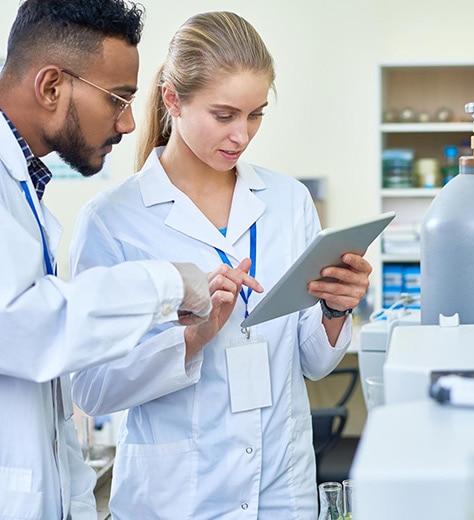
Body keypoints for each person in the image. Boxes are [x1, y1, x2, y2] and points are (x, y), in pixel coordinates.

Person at [70, 11, 372, 519]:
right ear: (173, 100)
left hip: (281, 487)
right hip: (175, 498)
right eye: (225, 114)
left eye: (255, 115)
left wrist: (336, 309)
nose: (242, 135)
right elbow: (92, 390)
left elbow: (315, 363)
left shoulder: (287, 201)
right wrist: (191, 339)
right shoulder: (112, 221)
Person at [0, 1, 229, 519]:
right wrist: (169, 282)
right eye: (118, 98)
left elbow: (50, 412)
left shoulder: (22, 183)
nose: (128, 122)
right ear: (52, 86)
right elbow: (22, 324)